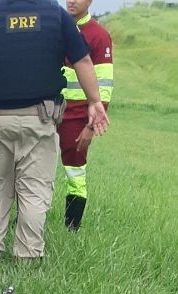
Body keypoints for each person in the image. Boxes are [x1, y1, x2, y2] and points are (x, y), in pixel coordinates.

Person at [0, 0, 108, 265]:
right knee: (34, 189)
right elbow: (83, 60)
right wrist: (95, 101)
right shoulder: (54, 13)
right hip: (39, 120)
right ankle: (28, 257)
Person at [59, 0, 113, 229]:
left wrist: (91, 127)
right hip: (45, 111)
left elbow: (105, 86)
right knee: (31, 171)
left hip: (78, 117)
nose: (72, 0)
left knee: (75, 173)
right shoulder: (54, 27)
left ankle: (71, 228)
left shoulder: (99, 35)